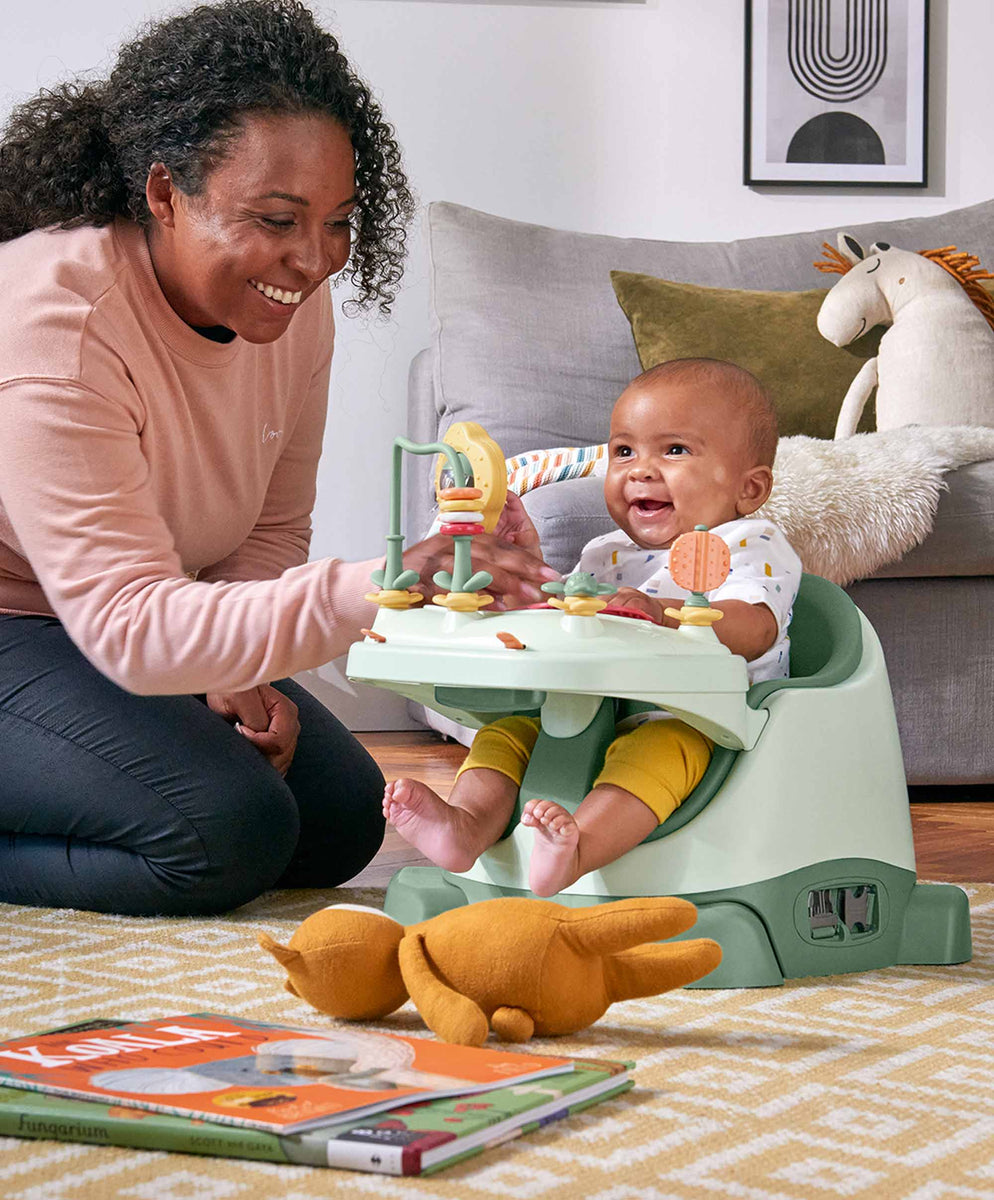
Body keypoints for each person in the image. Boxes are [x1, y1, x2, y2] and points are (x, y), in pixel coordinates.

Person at [0, 0, 556, 917]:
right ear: (165, 192)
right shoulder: (60, 327)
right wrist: (379, 586)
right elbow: (131, 626)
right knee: (226, 833)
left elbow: (267, 524)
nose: (311, 260)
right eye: (275, 218)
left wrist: (235, 669)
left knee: (338, 821)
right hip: (31, 624)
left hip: (106, 625)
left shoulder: (287, 306)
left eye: (337, 222)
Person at [384, 358, 803, 897]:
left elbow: (756, 627)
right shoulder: (604, 554)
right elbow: (567, 620)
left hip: (698, 720)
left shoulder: (753, 545)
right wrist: (527, 565)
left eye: (674, 450)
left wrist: (665, 615)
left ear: (750, 489)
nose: (640, 469)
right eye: (624, 451)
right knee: (506, 733)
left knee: (655, 750)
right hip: (586, 714)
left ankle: (579, 847)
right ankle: (465, 825)